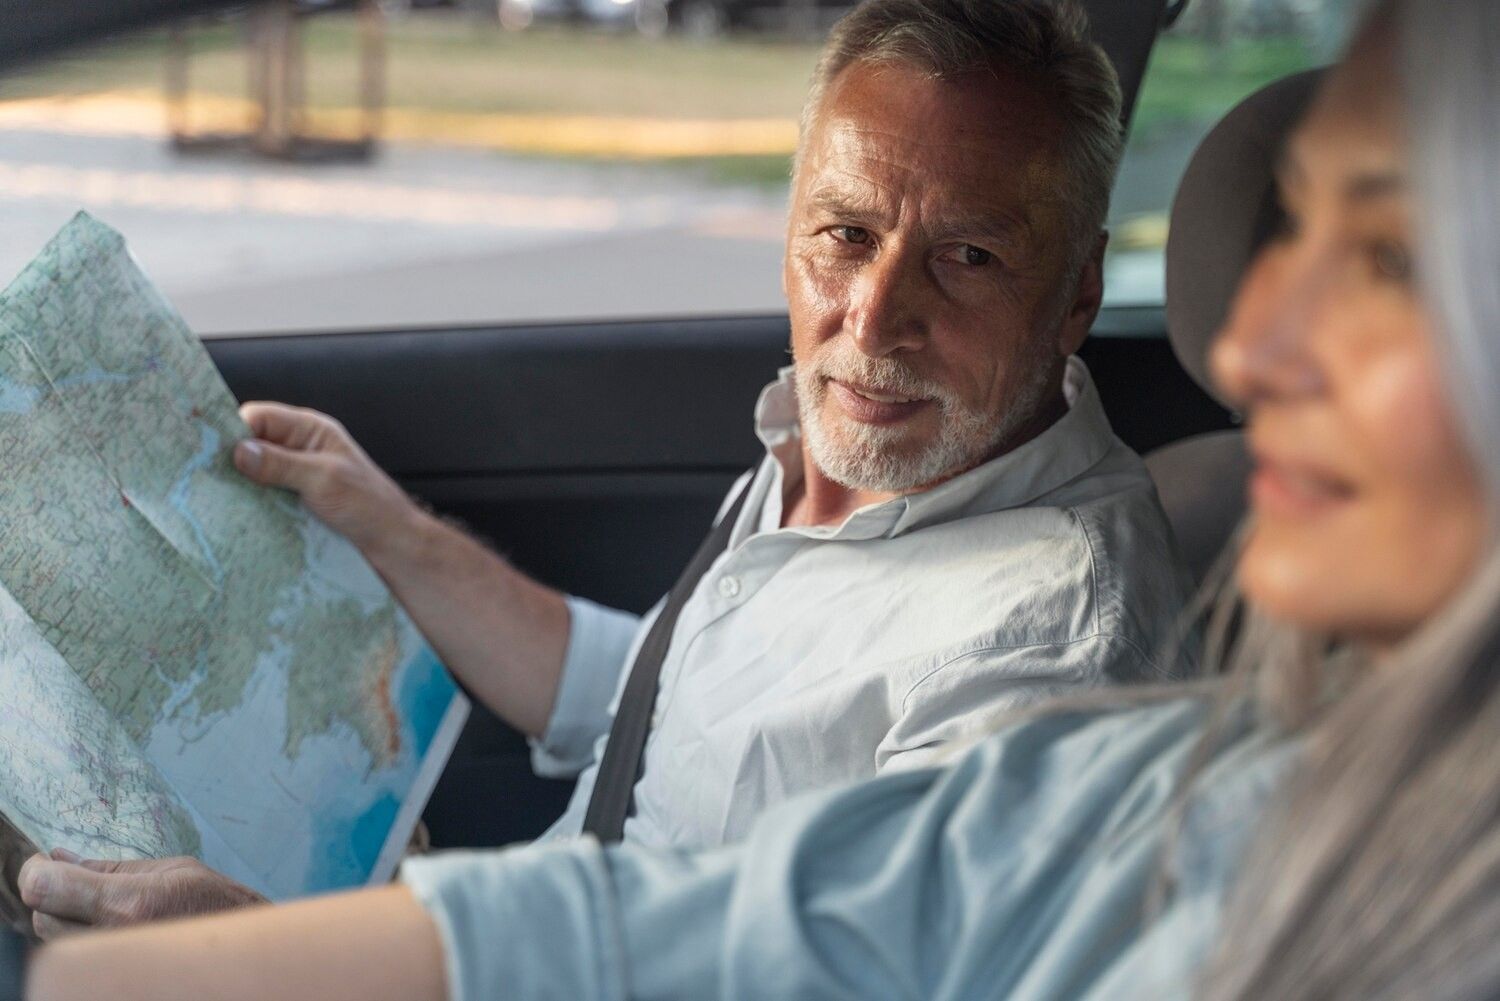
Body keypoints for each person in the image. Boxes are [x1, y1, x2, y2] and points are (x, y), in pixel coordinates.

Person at [17, 0, 1500, 996]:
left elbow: (783, 943)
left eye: (967, 257)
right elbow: (656, 701)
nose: (873, 316)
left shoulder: (1048, 652)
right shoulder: (862, 441)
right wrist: (385, 526)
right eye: (842, 234)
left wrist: (282, 959)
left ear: (1070, 298)